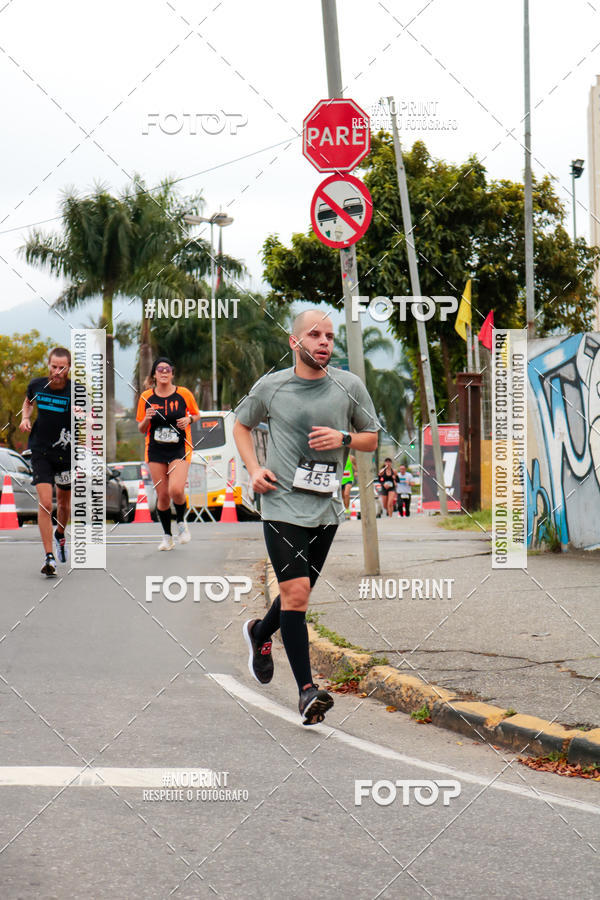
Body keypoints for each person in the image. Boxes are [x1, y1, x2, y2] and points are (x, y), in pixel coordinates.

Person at [233, 309, 379, 725]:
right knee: (296, 595)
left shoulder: (349, 386)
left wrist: (344, 437)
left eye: (330, 336)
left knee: (296, 595)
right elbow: (241, 427)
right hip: (280, 503)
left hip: (326, 507)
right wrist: (254, 469)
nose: (324, 342)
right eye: (315, 335)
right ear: (295, 342)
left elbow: (371, 437)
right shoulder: (272, 387)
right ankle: (306, 692)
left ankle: (260, 634)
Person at [136, 357, 201, 550]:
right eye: (160, 369)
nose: (164, 372)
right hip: (155, 450)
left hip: (179, 448)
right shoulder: (147, 397)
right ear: (154, 374)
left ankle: (181, 522)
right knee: (163, 495)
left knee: (176, 490)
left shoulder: (183, 393)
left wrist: (189, 420)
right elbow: (140, 428)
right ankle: (167, 536)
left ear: (172, 373)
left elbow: (196, 414)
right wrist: (147, 419)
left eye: (167, 369)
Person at [20, 347, 72, 577]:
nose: (57, 371)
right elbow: (28, 403)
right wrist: (25, 418)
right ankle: (48, 557)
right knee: (45, 502)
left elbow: (91, 418)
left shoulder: (76, 391)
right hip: (40, 450)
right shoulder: (37, 385)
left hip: (66, 453)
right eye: (54, 366)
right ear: (48, 365)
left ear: (69, 368)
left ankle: (60, 534)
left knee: (63, 505)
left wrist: (86, 417)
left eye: (62, 367)